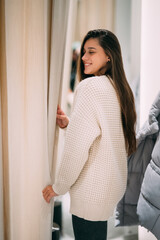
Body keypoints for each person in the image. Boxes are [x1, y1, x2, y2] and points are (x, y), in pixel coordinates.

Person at [42, 29, 137, 240]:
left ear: (109, 55)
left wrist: (59, 186)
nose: (84, 57)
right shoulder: (119, 88)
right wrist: (70, 124)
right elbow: (105, 136)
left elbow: (77, 148)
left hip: (90, 191)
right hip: (108, 190)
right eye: (84, 51)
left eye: (91, 51)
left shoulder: (90, 87)